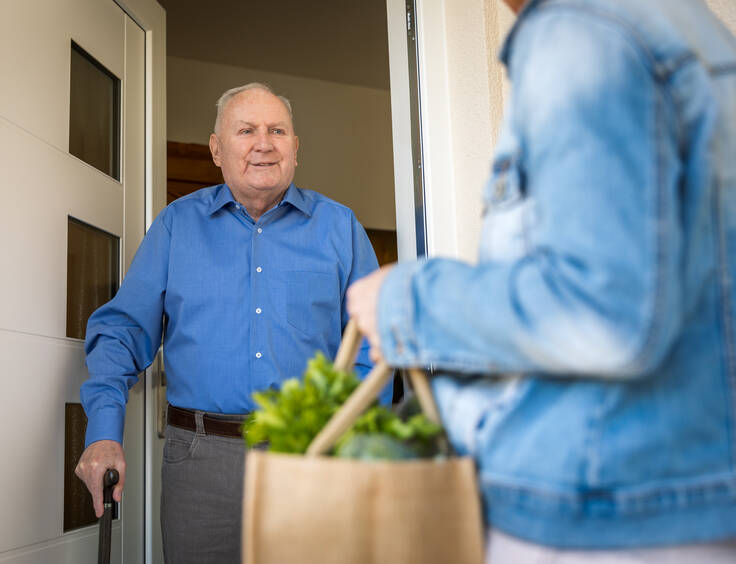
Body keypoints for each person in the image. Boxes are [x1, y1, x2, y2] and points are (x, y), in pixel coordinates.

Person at [348, 0, 736, 561]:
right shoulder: (684, 27)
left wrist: (406, 300)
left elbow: (603, 310)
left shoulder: (582, 30)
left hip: (600, 514)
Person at [75, 82, 387, 563]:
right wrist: (102, 430)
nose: (264, 142)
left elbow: (376, 345)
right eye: (246, 130)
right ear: (217, 150)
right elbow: (123, 332)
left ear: (295, 149)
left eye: (277, 130)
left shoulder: (338, 227)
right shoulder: (177, 225)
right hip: (200, 463)